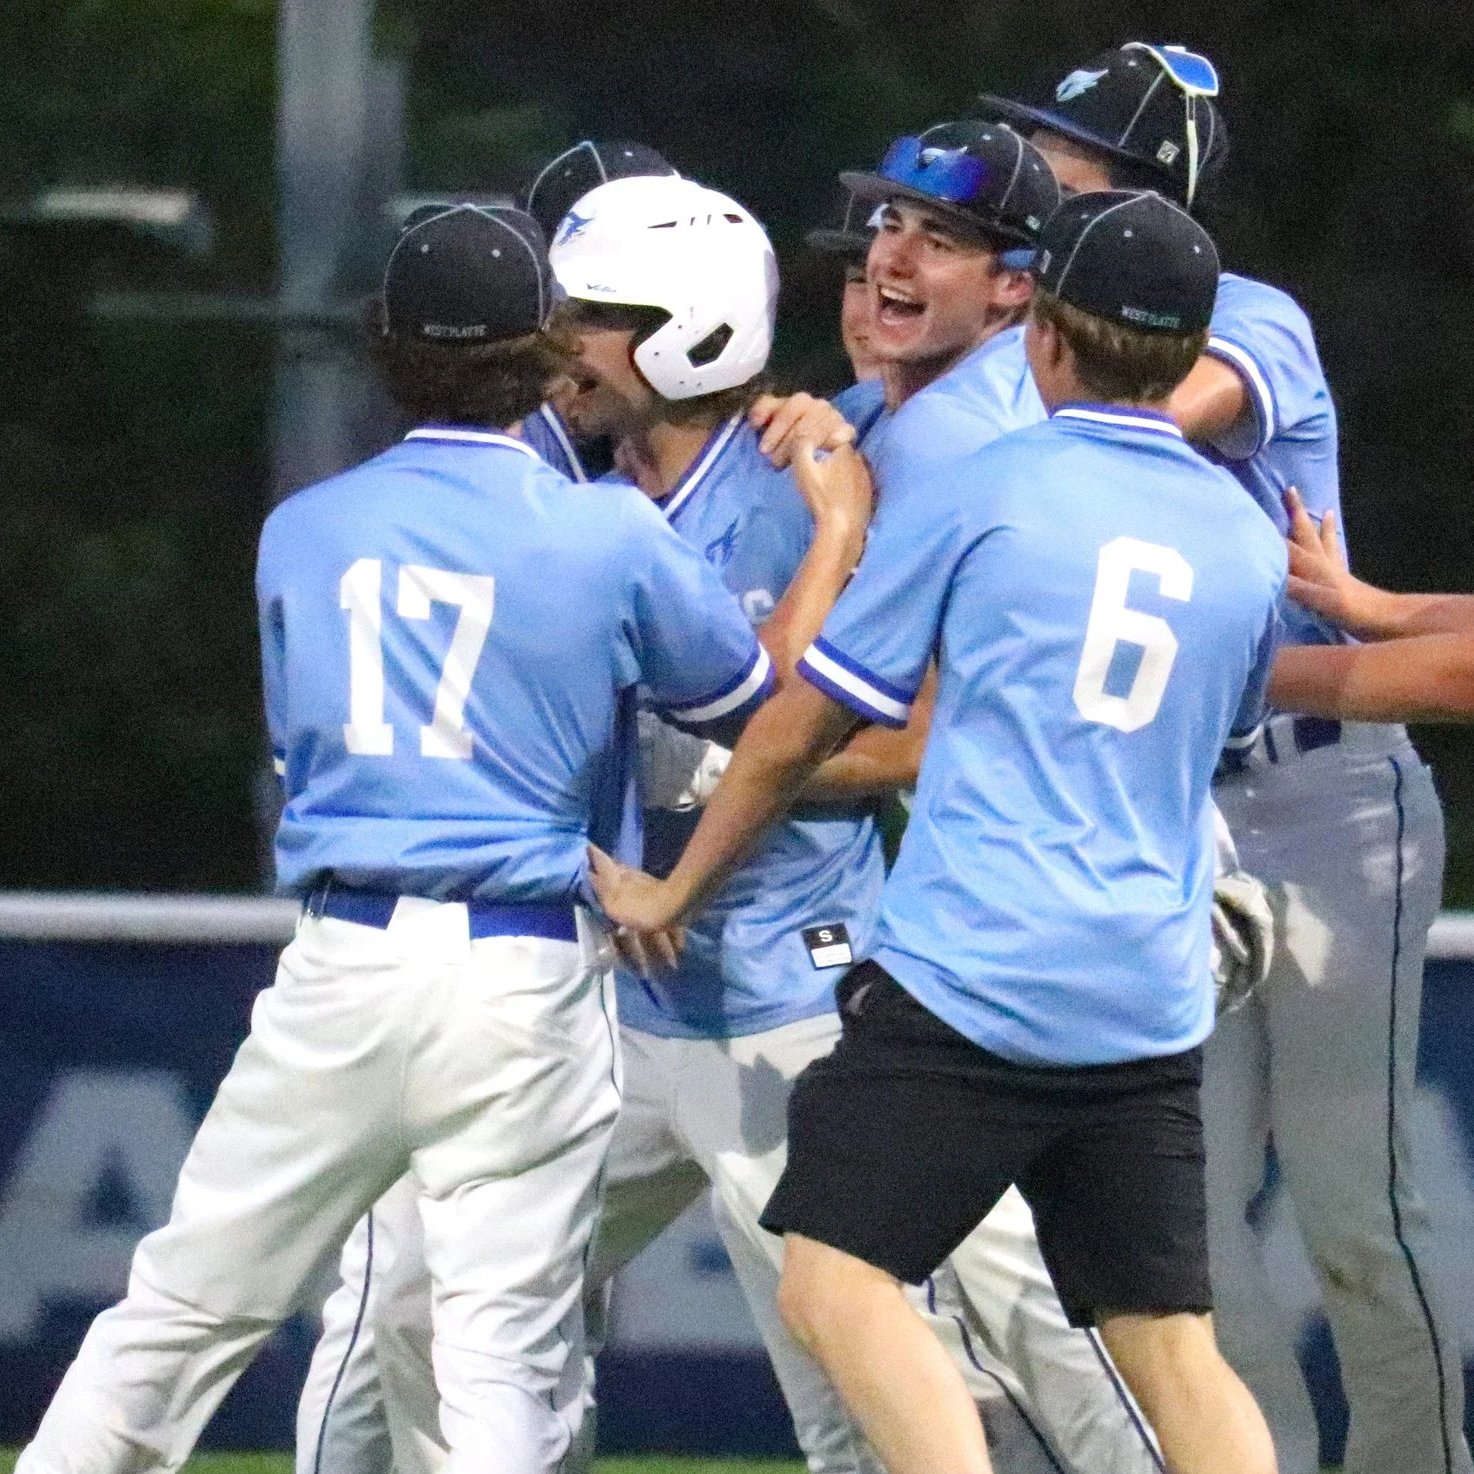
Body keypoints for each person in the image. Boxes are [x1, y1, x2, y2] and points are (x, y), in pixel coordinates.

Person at [16, 202, 778, 1474]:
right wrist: (841, 529)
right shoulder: (605, 532)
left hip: (344, 953)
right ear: (546, 353)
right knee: (497, 1353)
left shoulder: (303, 531)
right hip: (518, 965)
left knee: (183, 1309)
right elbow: (754, 707)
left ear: (385, 350)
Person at [591, 189, 1286, 1474]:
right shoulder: (1243, 537)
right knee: (1171, 1344)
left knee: (835, 1287)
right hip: (1142, 990)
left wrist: (672, 881)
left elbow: (802, 720)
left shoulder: (988, 488)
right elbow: (1222, 728)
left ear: (1046, 336)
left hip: (977, 976)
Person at [318, 173, 886, 1474]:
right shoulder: (552, 491)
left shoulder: (804, 484)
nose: (551, 341)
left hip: (788, 1001)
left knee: (855, 1392)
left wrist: (690, 767)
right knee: (426, 1300)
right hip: (616, 1013)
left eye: (588, 315)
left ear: (689, 328)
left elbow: (899, 740)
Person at [983, 43, 1471, 1474]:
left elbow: (1155, 413)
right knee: (1175, 1229)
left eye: (1060, 151)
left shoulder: (1240, 314)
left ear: (1145, 183)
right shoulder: (1022, 345)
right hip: (1161, 805)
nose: (1034, 167)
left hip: (1321, 794)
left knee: (1360, 1212)